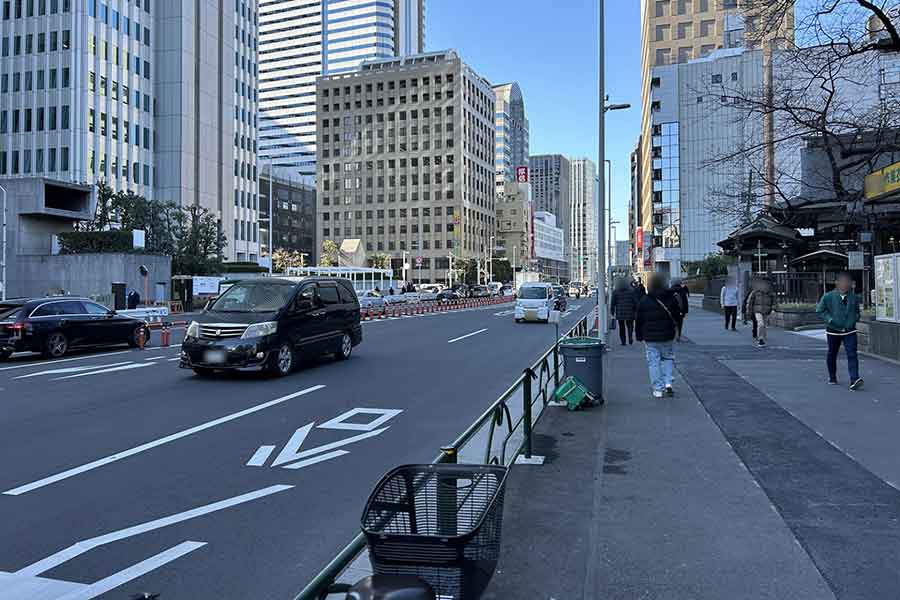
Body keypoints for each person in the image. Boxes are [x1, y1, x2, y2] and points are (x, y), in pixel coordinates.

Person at [636, 273, 683, 398]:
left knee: (654, 362)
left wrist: (639, 336)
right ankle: (668, 383)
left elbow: (639, 320)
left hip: (650, 337)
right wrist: (677, 331)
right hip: (668, 335)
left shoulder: (645, 300)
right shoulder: (671, 298)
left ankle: (658, 389)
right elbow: (677, 317)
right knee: (667, 358)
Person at [816, 272, 864, 390]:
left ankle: (854, 379)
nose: (845, 284)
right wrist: (830, 319)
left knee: (852, 354)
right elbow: (820, 310)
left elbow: (857, 311)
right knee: (832, 353)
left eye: (847, 281)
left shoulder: (854, 297)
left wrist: (854, 319)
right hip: (833, 330)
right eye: (842, 281)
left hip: (850, 330)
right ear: (837, 283)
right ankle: (832, 376)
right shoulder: (828, 296)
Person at [746, 278, 775, 347]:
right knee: (760, 324)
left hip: (766, 311)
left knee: (764, 326)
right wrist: (748, 311)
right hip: (757, 311)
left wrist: (773, 309)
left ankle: (763, 338)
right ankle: (760, 339)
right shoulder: (755, 292)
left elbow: (774, 302)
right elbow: (749, 302)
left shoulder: (770, 292)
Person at [610, 278, 638, 345]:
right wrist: (635, 309)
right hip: (630, 311)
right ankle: (630, 338)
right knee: (630, 325)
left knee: (621, 327)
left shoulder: (615, 291)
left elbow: (613, 303)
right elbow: (635, 301)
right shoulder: (632, 290)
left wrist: (612, 311)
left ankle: (623, 341)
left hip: (620, 312)